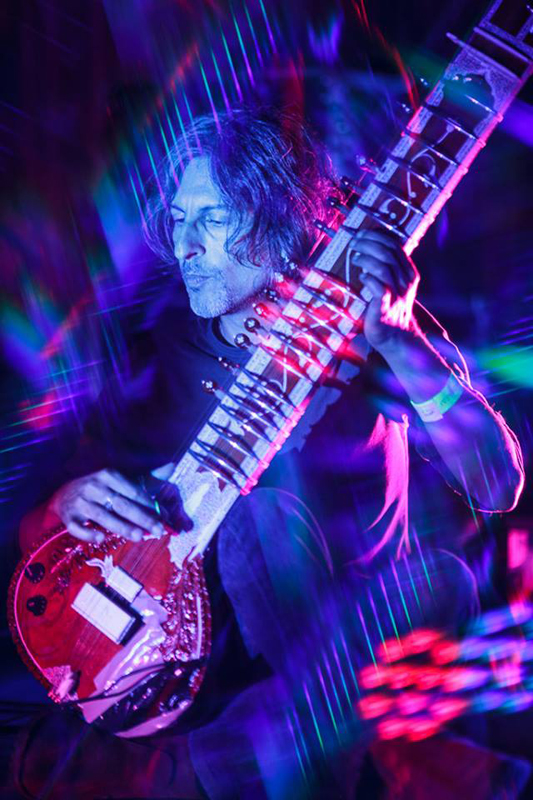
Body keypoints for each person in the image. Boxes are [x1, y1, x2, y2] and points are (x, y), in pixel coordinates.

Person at [18, 108, 526, 798]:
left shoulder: (355, 313)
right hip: (263, 667)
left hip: (396, 607)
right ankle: (340, 755)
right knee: (250, 554)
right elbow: (42, 532)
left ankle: (246, 756)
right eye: (178, 219)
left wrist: (402, 342)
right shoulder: (159, 356)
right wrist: (67, 502)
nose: (185, 246)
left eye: (213, 219)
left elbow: (497, 483)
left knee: (263, 528)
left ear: (278, 221)